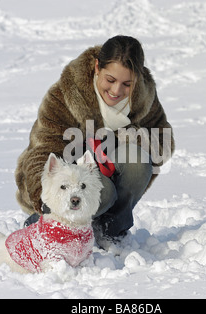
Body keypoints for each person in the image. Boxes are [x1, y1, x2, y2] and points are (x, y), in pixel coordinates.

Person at [14, 35, 175, 249]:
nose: (117, 91)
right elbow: (42, 151)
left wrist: (123, 139)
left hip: (106, 169)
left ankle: (110, 229)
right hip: (70, 181)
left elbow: (161, 141)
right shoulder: (65, 95)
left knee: (137, 160)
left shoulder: (143, 97)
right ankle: (45, 226)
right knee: (102, 191)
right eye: (110, 80)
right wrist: (43, 199)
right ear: (97, 67)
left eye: (127, 84)